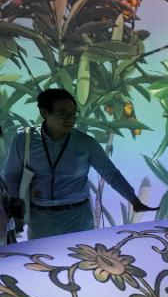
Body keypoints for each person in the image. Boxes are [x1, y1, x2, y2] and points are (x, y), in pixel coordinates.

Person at [1, 88, 157, 240]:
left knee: (82, 257)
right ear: (44, 113)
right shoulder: (24, 139)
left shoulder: (86, 143)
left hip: (78, 218)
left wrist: (134, 200)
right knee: (42, 257)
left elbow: (111, 174)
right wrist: (14, 204)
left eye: (73, 113)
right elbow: (12, 175)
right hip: (41, 220)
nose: (70, 118)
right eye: (62, 113)